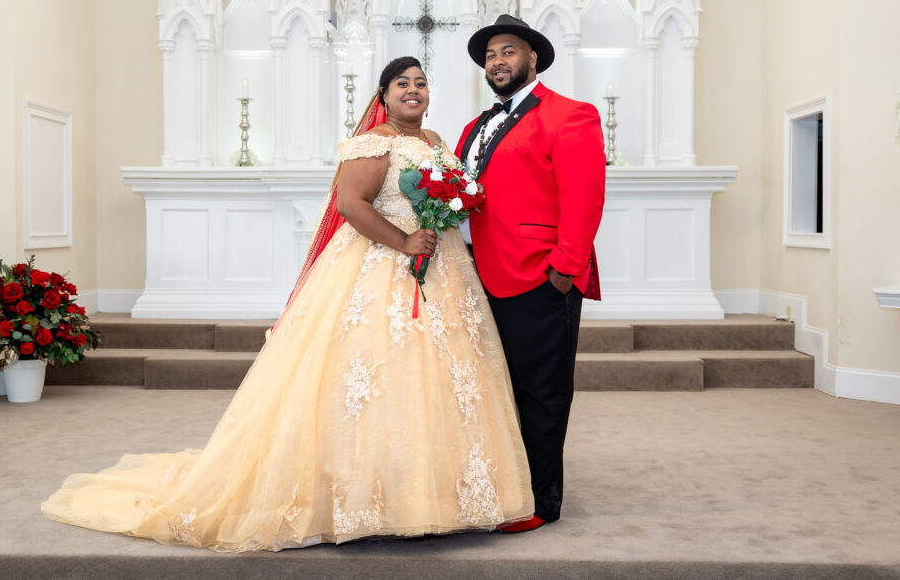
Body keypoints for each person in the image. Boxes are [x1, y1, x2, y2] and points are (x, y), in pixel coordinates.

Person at [41, 56, 534, 552]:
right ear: (382, 96)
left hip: (441, 273)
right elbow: (350, 204)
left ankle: (441, 495)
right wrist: (405, 242)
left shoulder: (436, 143)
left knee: (444, 382)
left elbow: (451, 198)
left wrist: (444, 213)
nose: (413, 90)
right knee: (374, 377)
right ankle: (363, 497)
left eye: (421, 83)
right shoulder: (373, 142)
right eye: (401, 84)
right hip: (381, 268)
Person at [454, 15, 606, 533]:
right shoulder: (476, 126)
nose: (498, 61)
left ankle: (542, 501)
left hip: (538, 276)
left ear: (532, 58)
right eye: (491, 54)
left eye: (508, 51)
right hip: (478, 279)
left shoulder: (571, 115)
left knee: (541, 392)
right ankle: (503, 482)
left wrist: (563, 270)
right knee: (494, 390)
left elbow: (583, 197)